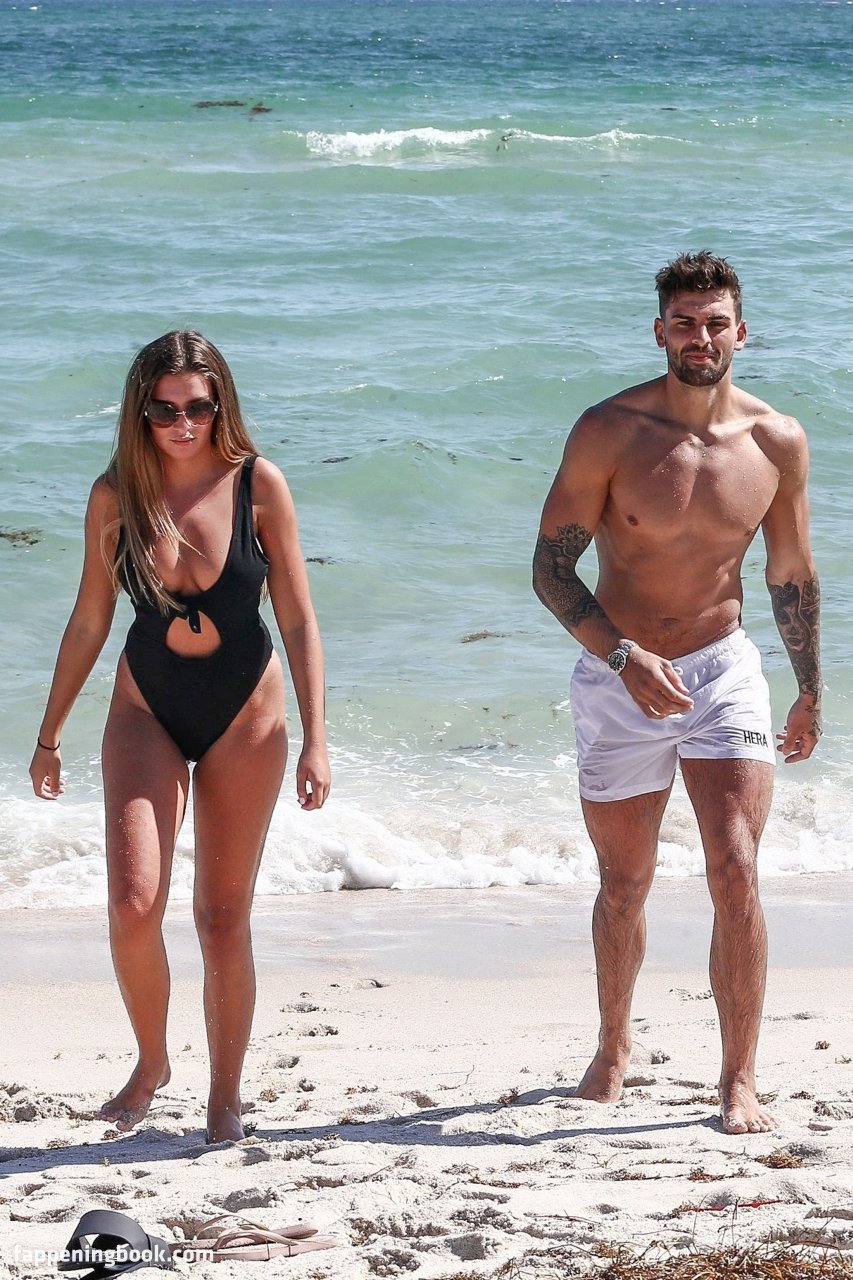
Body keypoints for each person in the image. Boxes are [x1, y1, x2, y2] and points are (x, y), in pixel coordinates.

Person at [533, 252, 821, 1135]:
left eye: (715, 322)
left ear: (742, 331)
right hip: (617, 673)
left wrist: (809, 689)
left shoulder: (775, 441)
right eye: (685, 323)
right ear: (659, 331)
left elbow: (790, 573)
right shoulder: (608, 431)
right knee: (624, 881)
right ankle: (612, 1046)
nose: (701, 337)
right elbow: (549, 569)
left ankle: (738, 1078)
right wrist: (622, 656)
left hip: (721, 668)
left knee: (734, 866)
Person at [29, 331, 330, 1143]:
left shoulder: (258, 483)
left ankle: (225, 1097)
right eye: (163, 410)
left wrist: (316, 737)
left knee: (222, 915)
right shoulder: (116, 494)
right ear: (141, 411)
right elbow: (90, 618)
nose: (182, 423)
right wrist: (49, 735)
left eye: (197, 407)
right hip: (146, 707)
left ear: (220, 404)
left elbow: (298, 617)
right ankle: (152, 1062)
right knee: (133, 905)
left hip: (246, 712)